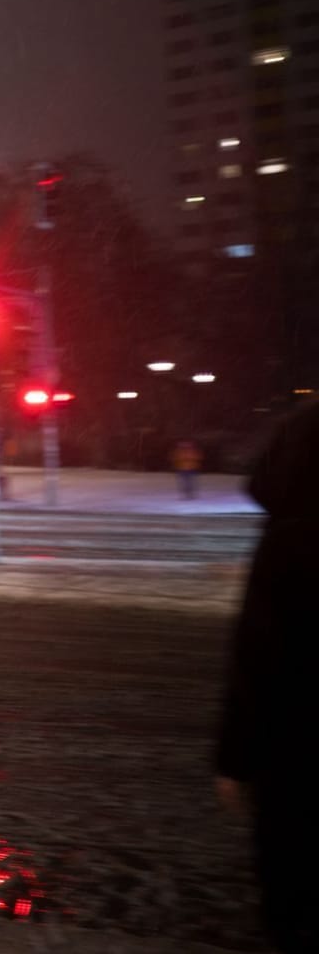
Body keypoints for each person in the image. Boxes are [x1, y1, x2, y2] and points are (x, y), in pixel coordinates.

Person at [215, 400, 319, 952]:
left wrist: (235, 760)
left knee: (288, 894)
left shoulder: (286, 545)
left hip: (293, 755)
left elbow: (257, 659)